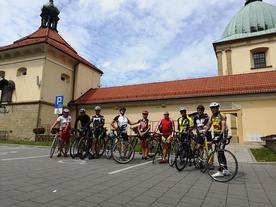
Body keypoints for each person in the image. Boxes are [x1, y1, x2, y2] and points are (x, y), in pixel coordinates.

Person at [205, 102, 229, 177]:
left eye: (214, 108)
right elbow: (209, 125)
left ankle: (220, 171)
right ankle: (225, 169)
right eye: (212, 108)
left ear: (218, 108)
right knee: (219, 153)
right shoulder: (212, 117)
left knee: (220, 152)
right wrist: (204, 132)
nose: (213, 110)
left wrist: (221, 135)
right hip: (216, 135)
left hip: (222, 135)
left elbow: (224, 124)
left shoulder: (222, 115)